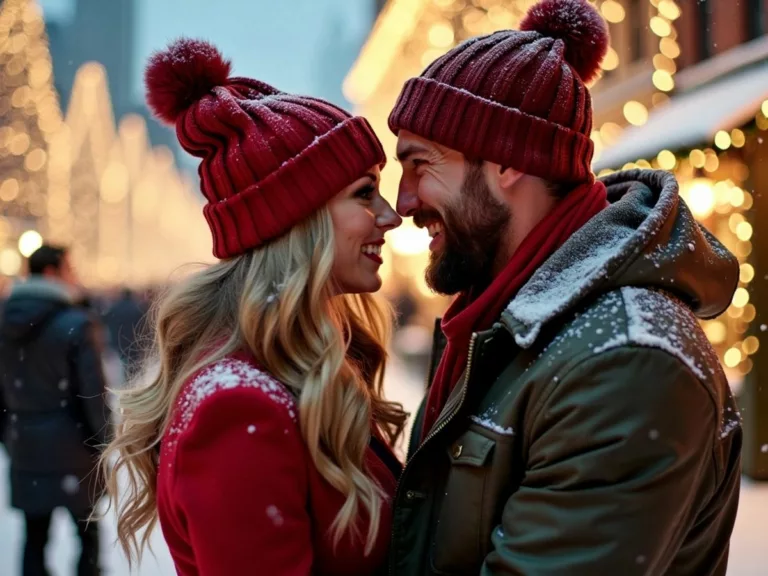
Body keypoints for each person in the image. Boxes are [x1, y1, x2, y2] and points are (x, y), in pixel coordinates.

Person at [386, 0, 742, 574]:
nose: (403, 203)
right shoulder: (502, 325)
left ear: (506, 162)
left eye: (421, 164)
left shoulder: (625, 362)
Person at [101, 39, 407, 576]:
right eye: (364, 193)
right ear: (296, 221)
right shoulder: (239, 406)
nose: (389, 216)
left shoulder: (308, 370)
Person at [0, 244, 109, 576]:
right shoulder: (77, 322)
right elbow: (93, 395)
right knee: (87, 536)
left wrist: (10, 436)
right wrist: (104, 440)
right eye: (68, 268)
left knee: (34, 537)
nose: (73, 276)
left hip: (26, 444)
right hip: (74, 448)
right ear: (51, 272)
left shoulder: (4, 321)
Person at [102, 288, 149, 376]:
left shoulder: (115, 308)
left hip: (120, 338)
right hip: (133, 338)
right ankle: (133, 377)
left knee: (124, 360)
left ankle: (128, 376)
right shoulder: (137, 308)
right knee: (134, 361)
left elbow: (106, 321)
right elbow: (143, 325)